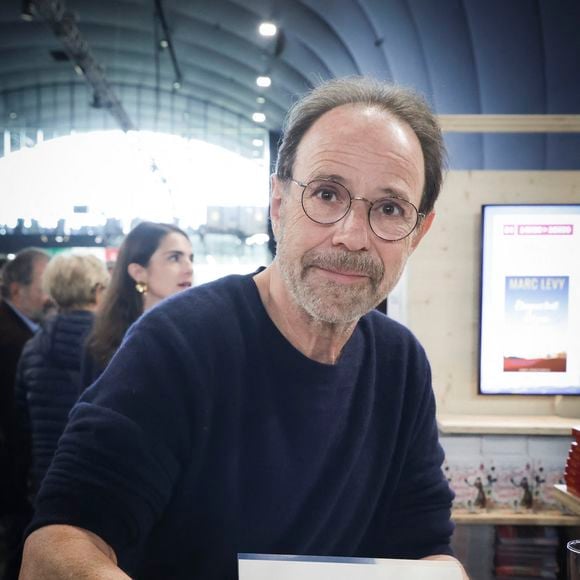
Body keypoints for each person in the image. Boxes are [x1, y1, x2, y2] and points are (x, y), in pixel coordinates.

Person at [20, 77, 467, 579]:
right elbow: (57, 544)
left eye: (389, 209)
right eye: (325, 194)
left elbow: (425, 549)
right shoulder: (177, 343)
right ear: (278, 204)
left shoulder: (400, 364)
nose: (352, 236)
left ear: (419, 232)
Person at [14, 253, 110, 498]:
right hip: (101, 484)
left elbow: (20, 425)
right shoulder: (112, 347)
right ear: (99, 291)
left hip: (47, 482)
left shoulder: (33, 348)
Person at [81, 221, 194, 385]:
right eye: (174, 258)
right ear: (138, 272)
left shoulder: (198, 335)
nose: (189, 268)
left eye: (191, 258)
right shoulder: (102, 346)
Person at [0, 248, 50, 579]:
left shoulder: (27, 333)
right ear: (17, 290)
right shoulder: (11, 339)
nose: (52, 296)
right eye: (45, 285)